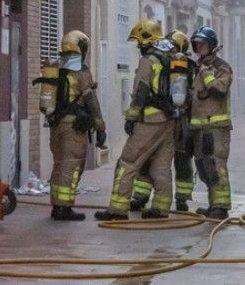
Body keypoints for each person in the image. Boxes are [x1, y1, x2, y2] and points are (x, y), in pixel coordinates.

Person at [96, 20, 177, 221]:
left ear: (147, 39)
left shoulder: (148, 61)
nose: (139, 46)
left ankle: (117, 209)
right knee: (161, 166)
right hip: (169, 121)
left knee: (128, 162)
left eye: (140, 42)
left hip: (149, 120)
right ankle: (160, 208)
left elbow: (141, 90)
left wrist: (131, 118)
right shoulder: (169, 59)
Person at [130, 29, 197, 212]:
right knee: (150, 158)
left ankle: (182, 198)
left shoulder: (187, 67)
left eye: (174, 46)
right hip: (164, 118)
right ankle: (140, 196)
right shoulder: (161, 62)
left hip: (182, 121)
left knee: (182, 159)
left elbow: (191, 94)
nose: (170, 49)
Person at [45, 30, 107, 221]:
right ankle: (64, 207)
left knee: (59, 165)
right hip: (73, 128)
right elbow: (91, 102)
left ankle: (56, 205)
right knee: (71, 167)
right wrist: (100, 127)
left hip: (56, 126)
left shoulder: (56, 68)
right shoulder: (81, 71)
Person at [187, 26, 233, 220]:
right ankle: (213, 204)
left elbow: (220, 88)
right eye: (196, 44)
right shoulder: (198, 67)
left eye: (203, 44)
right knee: (204, 167)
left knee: (216, 166)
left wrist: (206, 75)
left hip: (216, 128)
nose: (199, 47)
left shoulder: (222, 67)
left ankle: (221, 206)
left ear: (212, 45)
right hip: (199, 128)